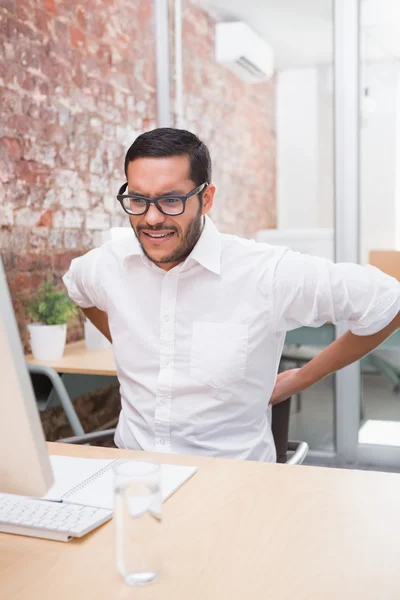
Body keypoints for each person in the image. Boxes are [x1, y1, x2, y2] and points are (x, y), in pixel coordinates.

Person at [63, 127, 400, 462]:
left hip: (233, 482)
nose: (152, 218)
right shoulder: (109, 264)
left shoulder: (265, 272)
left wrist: (300, 377)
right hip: (134, 476)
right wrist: (127, 337)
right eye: (138, 199)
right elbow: (77, 287)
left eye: (170, 200)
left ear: (205, 199)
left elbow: (388, 302)